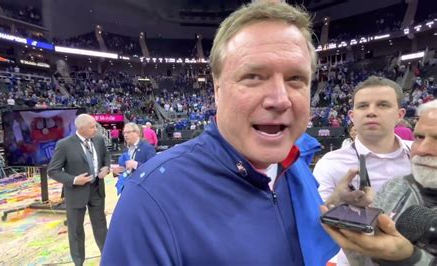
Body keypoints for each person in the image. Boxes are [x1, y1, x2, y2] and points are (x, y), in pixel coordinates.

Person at [102, 2, 338, 265]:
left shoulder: (296, 165)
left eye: (296, 78)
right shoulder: (150, 200)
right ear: (217, 90)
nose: (280, 99)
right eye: (254, 76)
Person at [322, 99, 437, 265]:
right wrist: (347, 212)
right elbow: (364, 259)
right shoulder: (396, 186)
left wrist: (410, 258)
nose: (422, 149)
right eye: (419, 137)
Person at [314, 76, 413, 265]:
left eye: (382, 105)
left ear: (400, 115)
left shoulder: (420, 155)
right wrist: (338, 201)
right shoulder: (331, 163)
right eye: (363, 106)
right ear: (352, 116)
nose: (371, 112)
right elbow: (315, 224)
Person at [47, 114, 110, 266]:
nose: (96, 129)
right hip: (76, 193)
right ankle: (78, 262)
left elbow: (105, 157)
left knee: (101, 227)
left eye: (95, 126)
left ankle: (108, 258)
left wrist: (106, 168)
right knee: (75, 230)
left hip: (96, 190)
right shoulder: (64, 144)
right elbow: (53, 170)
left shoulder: (99, 140)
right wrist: (75, 180)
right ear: (81, 128)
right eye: (92, 127)